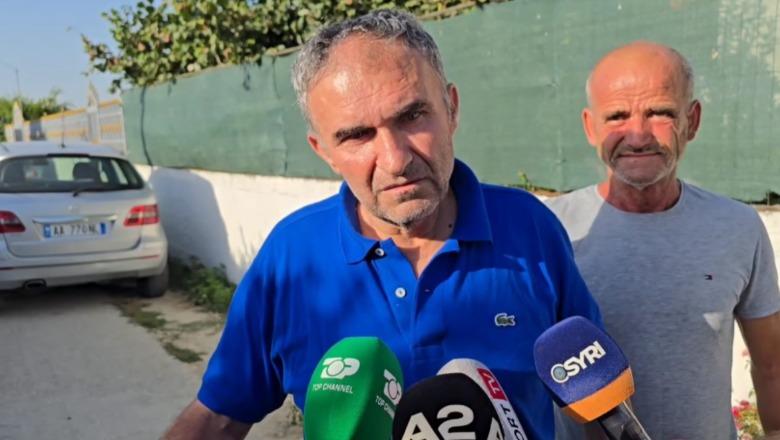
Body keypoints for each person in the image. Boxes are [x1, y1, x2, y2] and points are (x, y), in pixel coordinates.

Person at [163, 9, 601, 440]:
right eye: (356, 135)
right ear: (323, 151)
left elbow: (596, 401)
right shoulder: (291, 258)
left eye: (411, 116)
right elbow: (218, 419)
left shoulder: (530, 228)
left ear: (451, 109)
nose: (395, 160)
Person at [546, 41, 780, 439]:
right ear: (590, 127)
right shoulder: (550, 230)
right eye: (617, 116)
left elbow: (772, 362)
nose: (638, 135)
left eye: (660, 113)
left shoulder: (738, 227)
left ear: (693, 120)